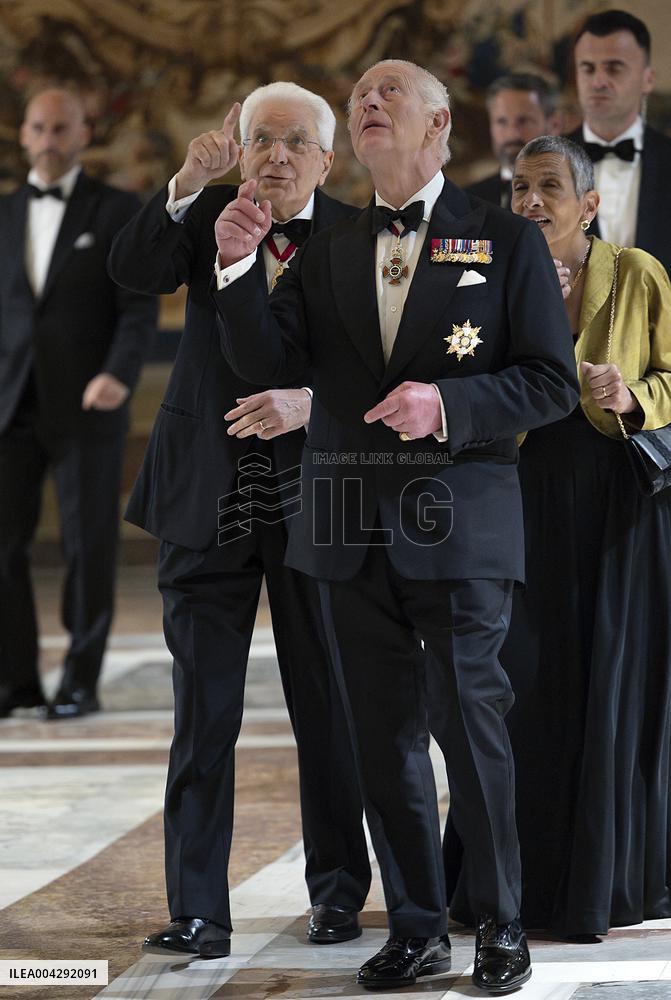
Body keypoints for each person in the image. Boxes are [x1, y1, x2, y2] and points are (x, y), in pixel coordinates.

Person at [213, 59, 580, 992]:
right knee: (380, 738)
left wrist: (448, 406)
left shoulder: (502, 238)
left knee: (469, 725)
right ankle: (415, 927)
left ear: (438, 122)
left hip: (459, 516)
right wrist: (236, 266)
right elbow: (264, 356)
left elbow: (548, 380)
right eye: (358, 99)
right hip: (345, 518)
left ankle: (499, 923)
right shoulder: (329, 246)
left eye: (387, 94)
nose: (366, 103)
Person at [108, 82, 371, 959]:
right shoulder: (209, 213)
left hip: (315, 497)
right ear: (241, 144)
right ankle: (197, 910)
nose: (277, 155)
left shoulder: (356, 238)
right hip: (205, 493)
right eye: (262, 138)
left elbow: (376, 368)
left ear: (327, 160)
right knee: (202, 713)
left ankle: (337, 895)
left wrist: (310, 399)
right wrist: (186, 181)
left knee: (328, 707)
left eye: (296, 142)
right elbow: (132, 271)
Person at [502, 134, 671, 936]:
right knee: (524, 688)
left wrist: (631, 393)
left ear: (589, 203)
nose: (531, 202)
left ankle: (609, 882)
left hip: (615, 509)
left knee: (608, 686)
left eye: (548, 187)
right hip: (521, 500)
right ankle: (519, 886)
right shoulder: (494, 278)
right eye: (519, 188)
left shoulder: (636, 274)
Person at [0, 88, 156, 721]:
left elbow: (139, 305)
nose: (49, 139)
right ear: (24, 135)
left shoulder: (117, 209)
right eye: (39, 128)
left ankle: (78, 683)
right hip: (10, 404)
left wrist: (118, 374)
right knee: (3, 548)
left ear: (84, 133)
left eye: (61, 128)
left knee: (87, 548)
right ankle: (15, 684)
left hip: (89, 403)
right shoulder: (5, 213)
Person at [567, 9, 671, 275]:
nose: (599, 81)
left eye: (614, 68)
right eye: (588, 68)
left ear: (647, 79)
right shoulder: (542, 164)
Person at [467, 73, 560, 209]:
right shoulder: (468, 201)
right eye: (501, 121)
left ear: (554, 125)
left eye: (524, 121)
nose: (512, 134)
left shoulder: (579, 193)